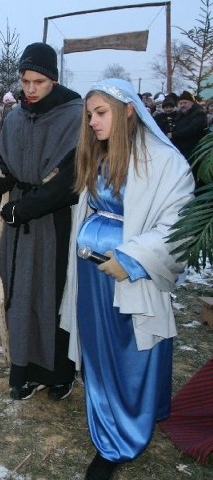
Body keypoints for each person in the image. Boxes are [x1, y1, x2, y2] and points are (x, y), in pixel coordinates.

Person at [59, 78, 195, 480]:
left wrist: (131, 258)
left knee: (131, 351)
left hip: (132, 276)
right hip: (91, 272)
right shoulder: (99, 153)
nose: (93, 122)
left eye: (101, 114)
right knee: (100, 352)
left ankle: (123, 439)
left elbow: (180, 225)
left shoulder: (164, 162)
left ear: (129, 110)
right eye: (89, 115)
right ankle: (108, 423)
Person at [0, 42, 83, 401]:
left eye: (39, 82)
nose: (30, 89)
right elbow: (12, 165)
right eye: (25, 80)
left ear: (53, 80)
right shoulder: (16, 117)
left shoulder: (74, 116)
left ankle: (59, 372)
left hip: (53, 222)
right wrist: (2, 182)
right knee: (20, 291)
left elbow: (70, 180)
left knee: (52, 292)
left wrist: (28, 207)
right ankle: (24, 368)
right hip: (19, 220)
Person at [168, 90, 207, 183]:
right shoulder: (182, 114)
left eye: (185, 103)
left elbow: (192, 129)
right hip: (182, 150)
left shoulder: (199, 113)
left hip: (192, 150)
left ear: (192, 102)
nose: (182, 105)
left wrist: (174, 134)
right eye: (180, 103)